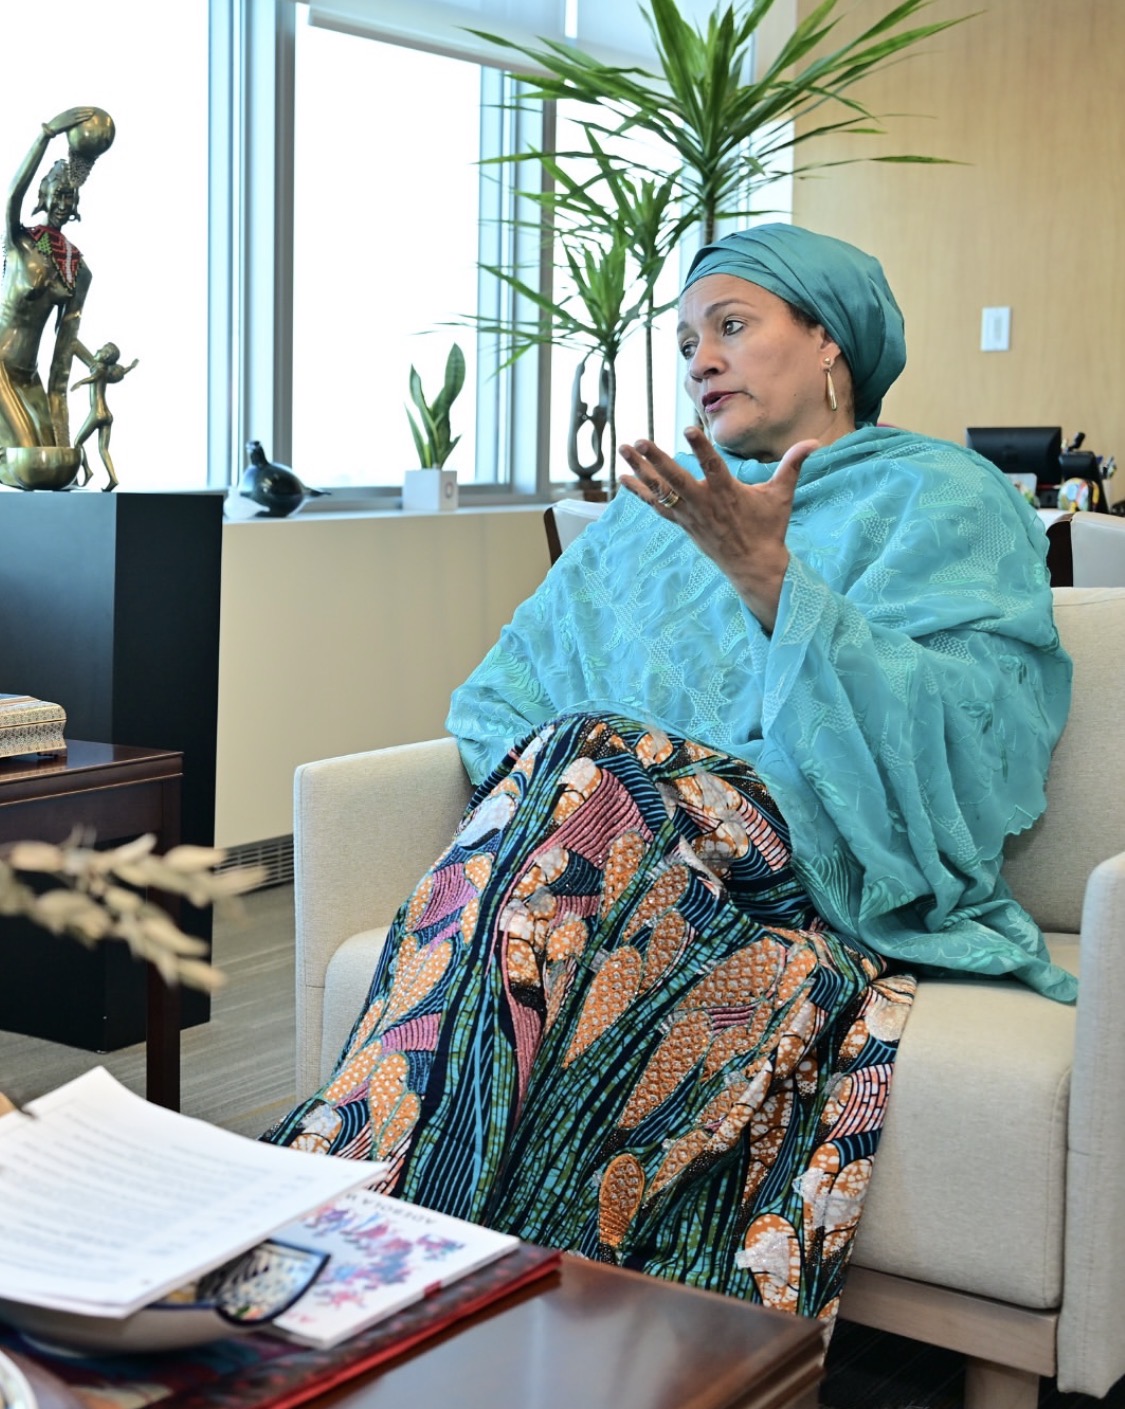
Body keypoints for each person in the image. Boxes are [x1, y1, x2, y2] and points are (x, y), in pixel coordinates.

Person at [266, 225, 1074, 1325]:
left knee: (594, 754)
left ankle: (342, 1212)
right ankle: (413, 1257)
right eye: (687, 340)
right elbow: (501, 699)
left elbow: (977, 737)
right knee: (585, 758)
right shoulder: (652, 519)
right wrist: (585, 800)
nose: (701, 358)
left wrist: (775, 583)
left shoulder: (946, 498)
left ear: (829, 343)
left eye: (731, 326)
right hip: (614, 840)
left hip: (812, 867)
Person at [0, 109, 103, 457]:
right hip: (0, 365)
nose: (62, 203)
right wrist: (46, 135)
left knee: (52, 458)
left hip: (29, 377)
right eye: (58, 194)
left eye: (69, 197)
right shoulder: (20, 242)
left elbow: (61, 362)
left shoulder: (78, 270)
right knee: (30, 457)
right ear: (43, 195)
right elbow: (12, 195)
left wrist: (66, 440)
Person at [71, 341, 138, 490]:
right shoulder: (108, 371)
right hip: (107, 415)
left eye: (101, 350)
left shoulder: (100, 368)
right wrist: (130, 367)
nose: (97, 349)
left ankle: (87, 470)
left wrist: (80, 382)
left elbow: (95, 377)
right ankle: (113, 478)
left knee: (77, 443)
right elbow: (121, 372)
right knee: (103, 449)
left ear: (106, 356)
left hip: (98, 413)